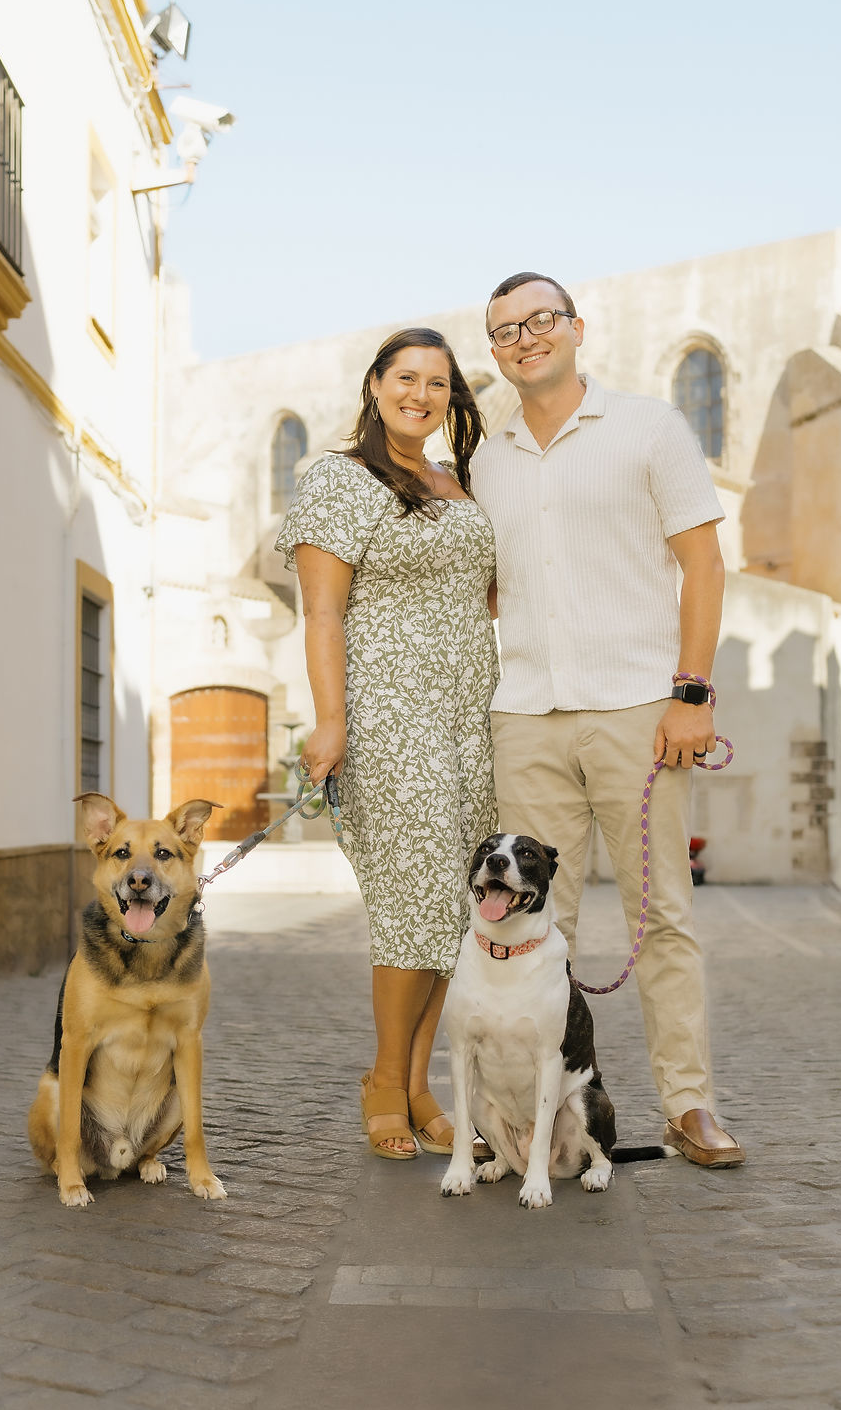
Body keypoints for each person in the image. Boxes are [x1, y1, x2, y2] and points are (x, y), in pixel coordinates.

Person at [470, 272, 745, 1168]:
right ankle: (535, 1117)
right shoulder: (486, 462)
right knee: (527, 927)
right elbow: (490, 589)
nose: (525, 338)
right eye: (505, 330)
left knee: (661, 915)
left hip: (639, 711)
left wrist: (692, 691)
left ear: (576, 327)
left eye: (540, 320)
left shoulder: (649, 428)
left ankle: (688, 1105)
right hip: (526, 715)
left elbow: (703, 565)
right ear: (494, 349)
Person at [275, 327, 498, 1160]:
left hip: (470, 718)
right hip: (388, 719)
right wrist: (331, 721)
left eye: (437, 383)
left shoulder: (458, 485)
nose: (420, 394)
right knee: (411, 904)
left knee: (455, 907)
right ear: (375, 384)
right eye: (406, 377)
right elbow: (322, 612)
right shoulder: (339, 479)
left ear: (451, 397)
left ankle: (417, 1085)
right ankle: (383, 1078)